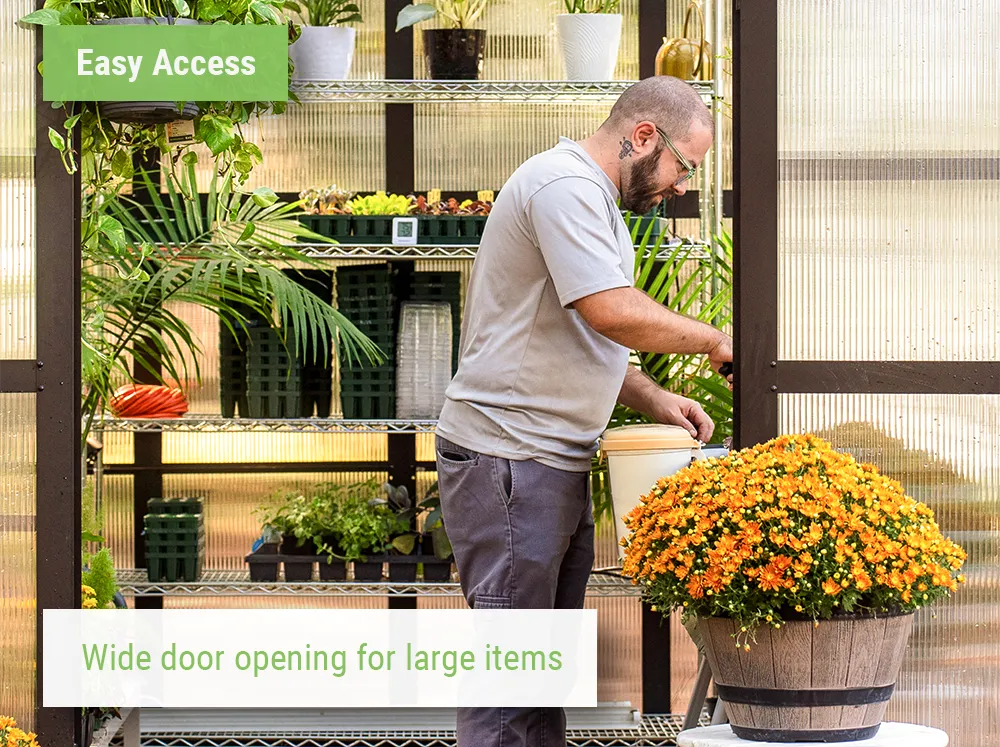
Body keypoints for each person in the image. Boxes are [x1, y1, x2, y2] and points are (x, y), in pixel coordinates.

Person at [434, 76, 734, 747]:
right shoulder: (562, 187)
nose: (682, 185)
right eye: (684, 165)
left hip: (544, 458)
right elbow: (608, 308)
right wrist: (713, 338)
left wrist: (651, 395)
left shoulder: (591, 199)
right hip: (510, 457)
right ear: (643, 136)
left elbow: (583, 332)